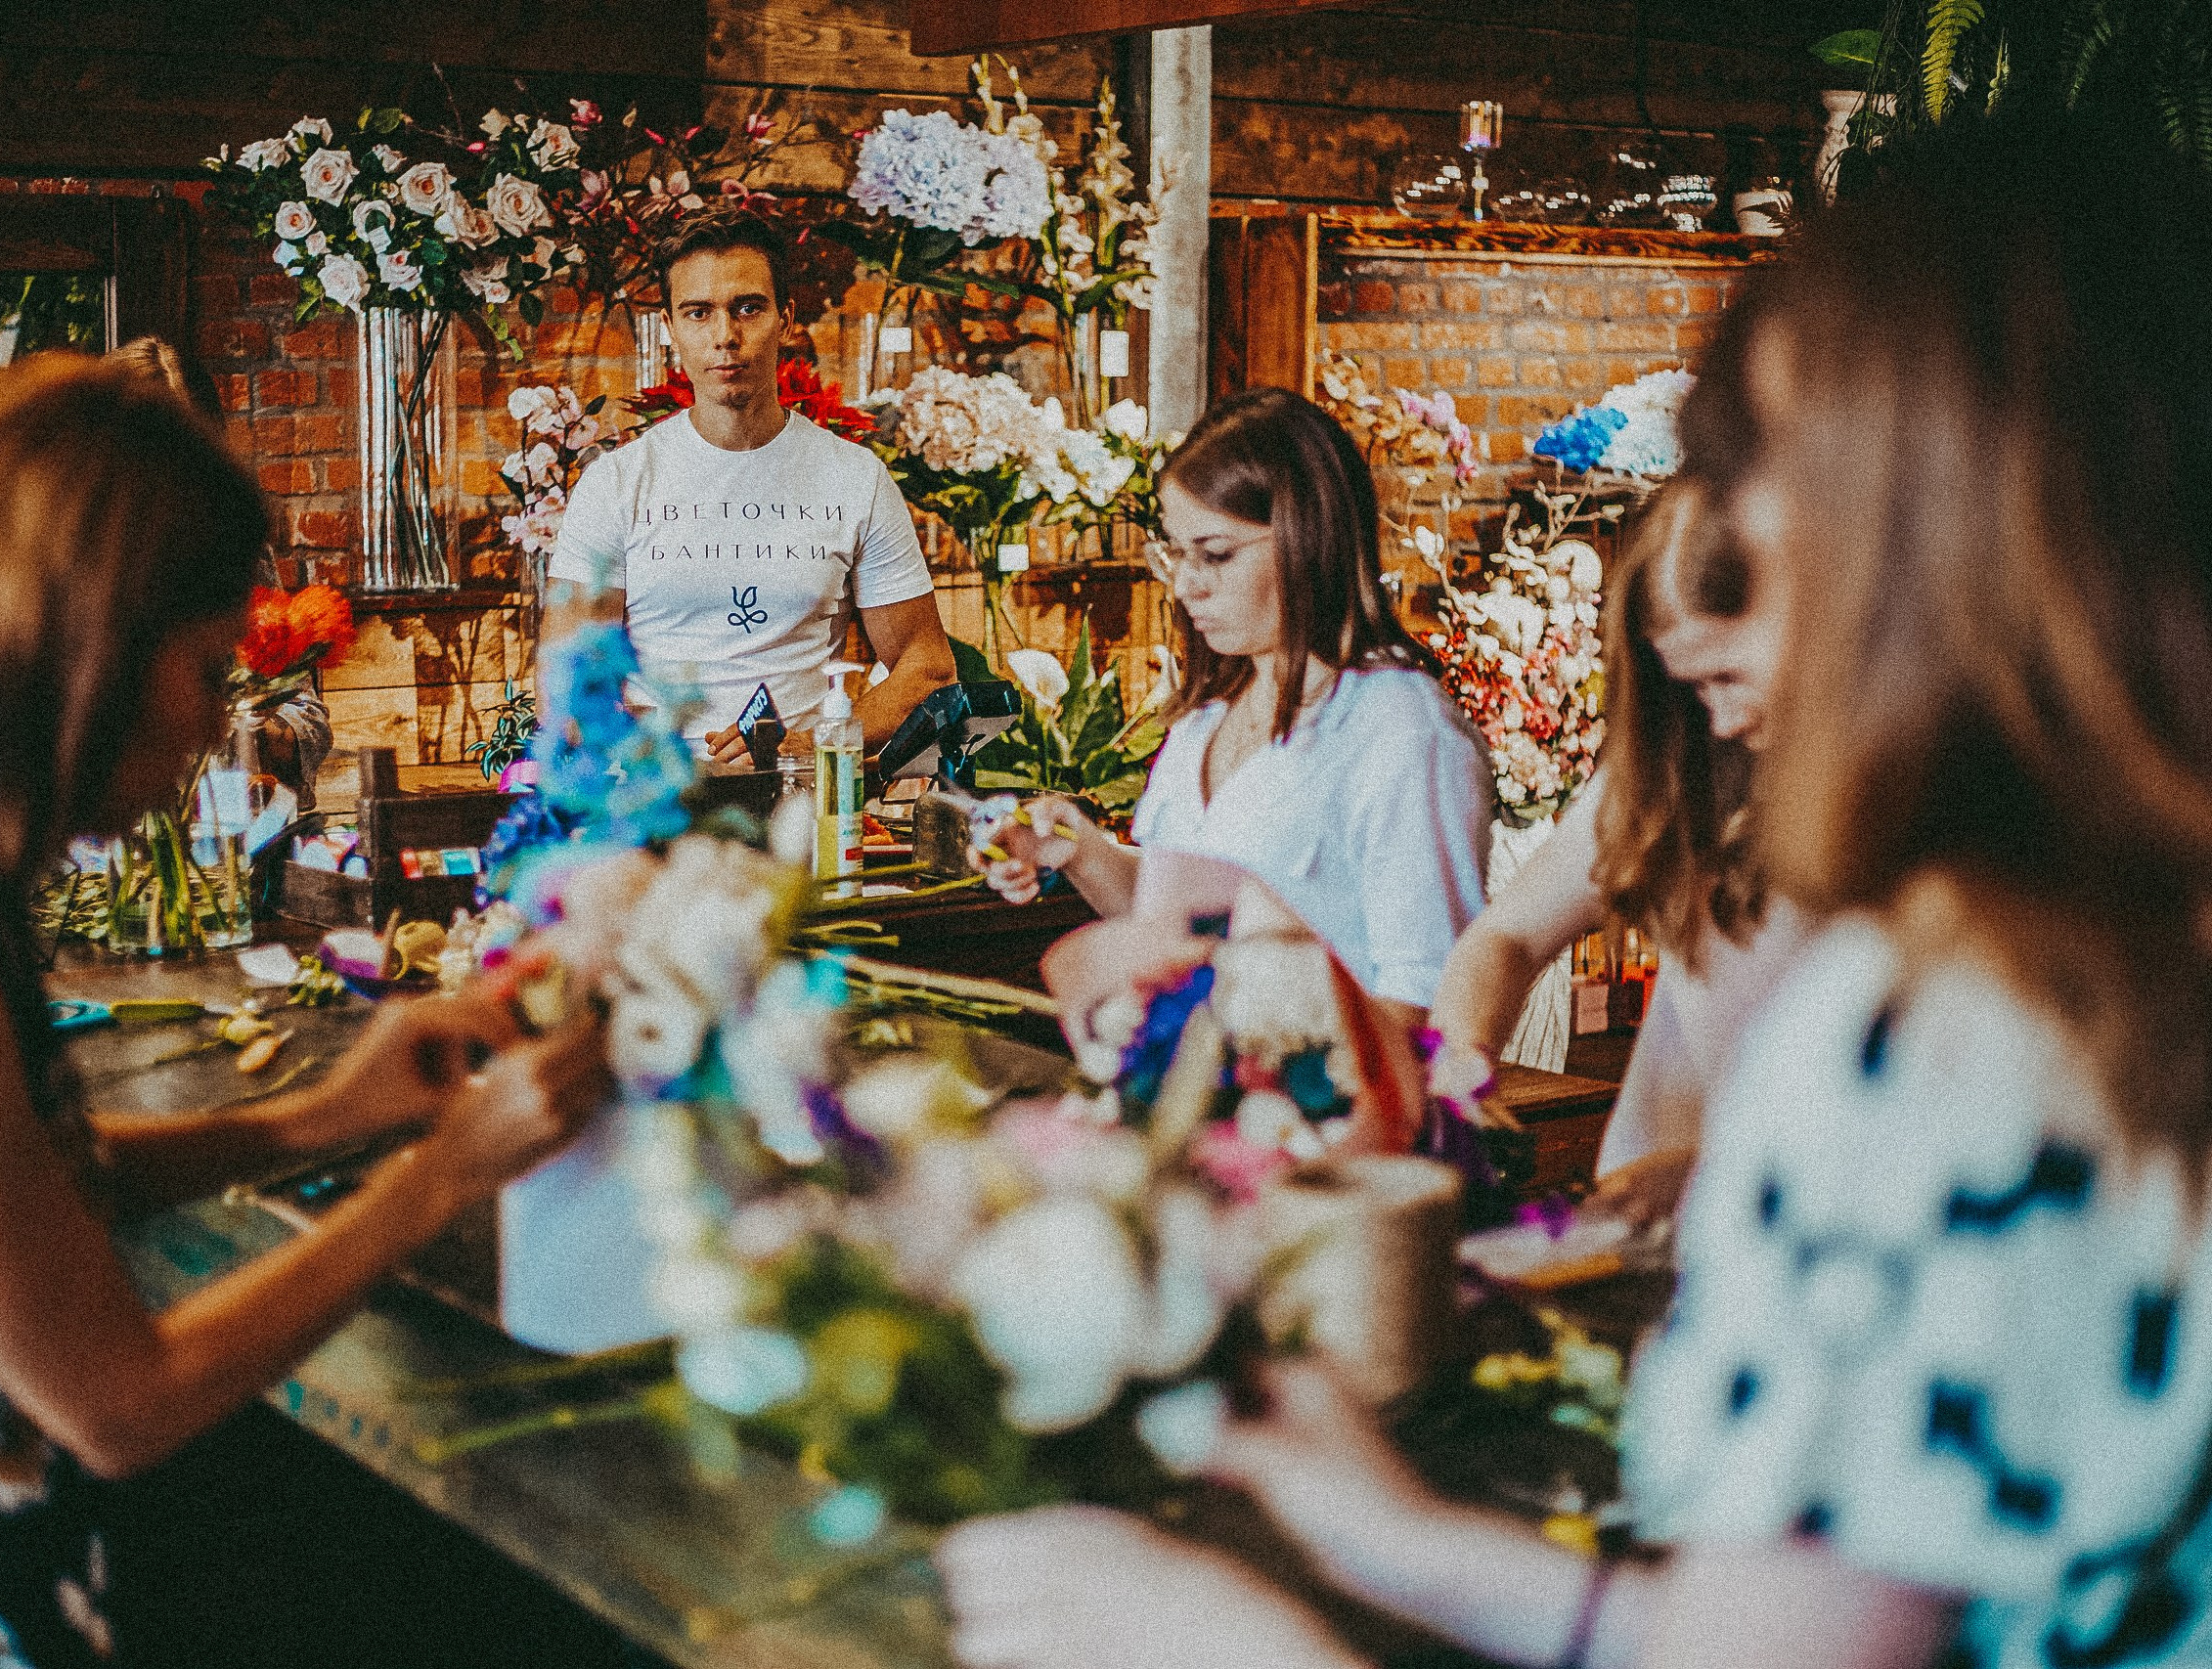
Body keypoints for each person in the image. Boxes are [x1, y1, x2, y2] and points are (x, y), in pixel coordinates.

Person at [938, 114, 2212, 1669]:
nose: (1731, 542)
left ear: (1921, 529)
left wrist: (1227, 1638)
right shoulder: (2113, 974)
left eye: (1761, 480)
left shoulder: (1937, 1035)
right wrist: (1398, 1535)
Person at [0, 353, 604, 1666]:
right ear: (74, 649)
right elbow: (117, 1401)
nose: (208, 721)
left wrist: (320, 1117)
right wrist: (438, 1174)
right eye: (201, 665)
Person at [981, 387, 1492, 1013]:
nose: (1188, 585)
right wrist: (1083, 851)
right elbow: (1178, 920)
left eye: (1217, 554)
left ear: (1309, 539)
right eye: (1176, 553)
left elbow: (1430, 987)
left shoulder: (1396, 727)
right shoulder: (1210, 714)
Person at [1428, 418, 1809, 1226]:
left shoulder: (1904, 814)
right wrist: (1464, 1060)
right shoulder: (1681, 771)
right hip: (1642, 1226)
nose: (1723, 717)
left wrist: (1706, 1171)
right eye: (1693, 690)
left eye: (1732, 676)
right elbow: (1505, 940)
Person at [549, 212, 955, 761]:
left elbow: (925, 666)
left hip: (806, 795)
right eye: (698, 313)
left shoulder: (855, 477)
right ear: (670, 328)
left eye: (748, 308)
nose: (725, 337)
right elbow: (569, 686)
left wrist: (813, 747)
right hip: (658, 801)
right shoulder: (615, 485)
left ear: (785, 319)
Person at [107, 334, 332, 810]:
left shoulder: (236, 554)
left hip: (227, 831)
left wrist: (263, 734)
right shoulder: (63, 569)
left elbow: (306, 715)